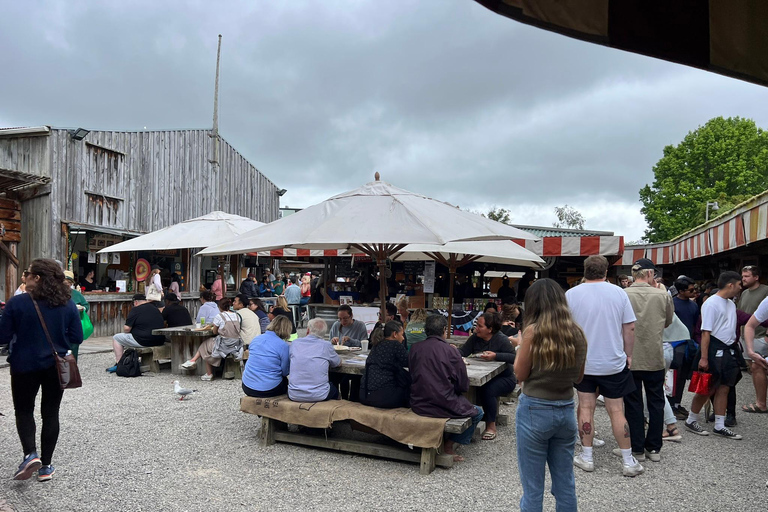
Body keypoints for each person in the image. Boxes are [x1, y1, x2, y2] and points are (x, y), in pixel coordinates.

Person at [0, 259, 83, 481]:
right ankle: (46, 466)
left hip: (23, 365)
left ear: (36, 278)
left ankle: (30, 454)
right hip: (56, 366)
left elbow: (2, 337)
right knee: (51, 412)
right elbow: (77, 337)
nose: (24, 277)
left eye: (26, 273)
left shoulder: (17, 304)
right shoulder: (68, 304)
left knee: (24, 411)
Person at [566, 255, 642, 477]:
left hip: (583, 362)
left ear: (585, 271)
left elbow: (566, 328)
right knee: (616, 410)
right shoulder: (619, 293)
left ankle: (587, 456)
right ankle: (628, 461)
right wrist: (629, 355)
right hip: (612, 361)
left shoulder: (571, 294)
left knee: (585, 406)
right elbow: (629, 328)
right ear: (606, 271)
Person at [514, 278, 586, 512]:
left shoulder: (533, 332)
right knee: (565, 482)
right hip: (565, 408)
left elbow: (520, 374)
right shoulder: (577, 333)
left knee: (533, 487)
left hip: (535, 408)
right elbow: (579, 378)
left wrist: (519, 348)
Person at [410, 314, 483, 462]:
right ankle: (449, 445)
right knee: (478, 412)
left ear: (425, 330)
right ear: (444, 330)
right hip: (442, 403)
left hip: (418, 402)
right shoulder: (451, 351)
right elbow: (463, 385)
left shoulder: (415, 348)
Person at [623, 259, 674, 462]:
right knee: (656, 401)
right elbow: (668, 321)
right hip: (654, 354)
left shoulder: (623, 294)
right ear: (651, 274)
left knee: (632, 402)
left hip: (630, 356)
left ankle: (636, 447)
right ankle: (653, 447)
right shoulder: (663, 294)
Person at [684, 271, 744, 439]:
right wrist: (703, 357)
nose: (741, 288)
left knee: (724, 387)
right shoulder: (711, 303)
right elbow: (705, 332)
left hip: (728, 348)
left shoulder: (731, 304)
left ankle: (719, 424)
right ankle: (691, 419)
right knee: (707, 387)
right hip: (713, 348)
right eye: (739, 284)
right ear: (731, 285)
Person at [459, 312, 516, 440]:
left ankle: (491, 425)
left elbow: (514, 357)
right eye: (476, 325)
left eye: (480, 326)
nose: (476, 329)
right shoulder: (475, 338)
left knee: (488, 389)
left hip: (505, 378)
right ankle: (470, 419)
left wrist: (495, 356)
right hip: (482, 375)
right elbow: (463, 351)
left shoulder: (501, 339)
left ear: (490, 330)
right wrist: (452, 351)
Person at [180, 298, 242, 381]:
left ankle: (206, 371)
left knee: (204, 345)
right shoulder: (237, 316)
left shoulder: (220, 316)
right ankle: (193, 361)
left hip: (225, 344)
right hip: (236, 344)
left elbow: (214, 331)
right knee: (210, 345)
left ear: (219, 307)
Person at [108, 293, 166, 373]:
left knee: (116, 337)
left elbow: (127, 329)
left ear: (135, 302)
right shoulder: (155, 308)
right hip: (159, 340)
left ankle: (119, 363)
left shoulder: (136, 310)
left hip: (143, 340)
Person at [738, 265, 768, 414]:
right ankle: (760, 399)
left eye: (747, 276)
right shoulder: (744, 293)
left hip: (761, 335)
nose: (743, 279)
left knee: (759, 367)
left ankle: (761, 402)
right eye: (743, 276)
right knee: (754, 368)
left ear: (756, 277)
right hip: (747, 336)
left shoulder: (765, 291)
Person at [288, 318, 341, 402]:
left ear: (308, 330)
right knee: (334, 388)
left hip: (294, 393)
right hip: (319, 394)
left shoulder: (295, 343)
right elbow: (338, 363)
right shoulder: (326, 345)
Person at [360, 321, 410, 408]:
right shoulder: (395, 345)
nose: (403, 338)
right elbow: (408, 362)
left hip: (365, 395)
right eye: (402, 335)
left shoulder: (376, 345)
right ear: (394, 334)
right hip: (383, 397)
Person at [670, 276, 699, 419]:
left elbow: (695, 325)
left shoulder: (694, 305)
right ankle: (670, 406)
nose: (694, 292)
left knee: (683, 376)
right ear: (681, 291)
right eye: (691, 290)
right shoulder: (672, 304)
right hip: (674, 344)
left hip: (689, 344)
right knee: (673, 377)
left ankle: (676, 404)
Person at [242, 316, 293, 397]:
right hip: (269, 389)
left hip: (247, 386)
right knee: (285, 381)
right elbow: (285, 372)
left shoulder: (256, 339)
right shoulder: (283, 346)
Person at [64, 270, 89, 359]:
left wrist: (83, 309)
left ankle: (72, 368)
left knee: (73, 349)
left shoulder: (76, 294)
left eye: (69, 282)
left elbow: (86, 305)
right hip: (60, 325)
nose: (67, 284)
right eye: (65, 281)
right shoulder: (55, 293)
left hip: (74, 324)